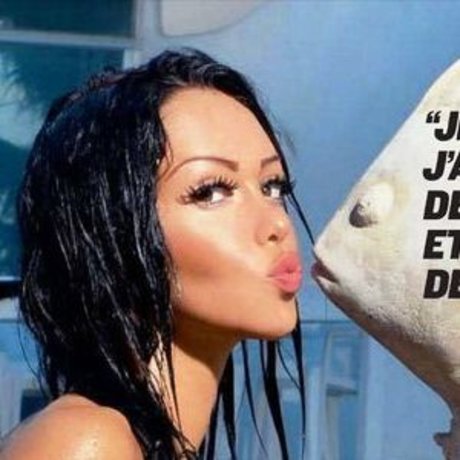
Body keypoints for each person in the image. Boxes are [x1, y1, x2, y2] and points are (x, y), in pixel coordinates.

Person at [2, 48, 312, 459]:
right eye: (211, 191)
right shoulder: (87, 441)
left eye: (273, 186)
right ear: (112, 233)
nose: (277, 224)